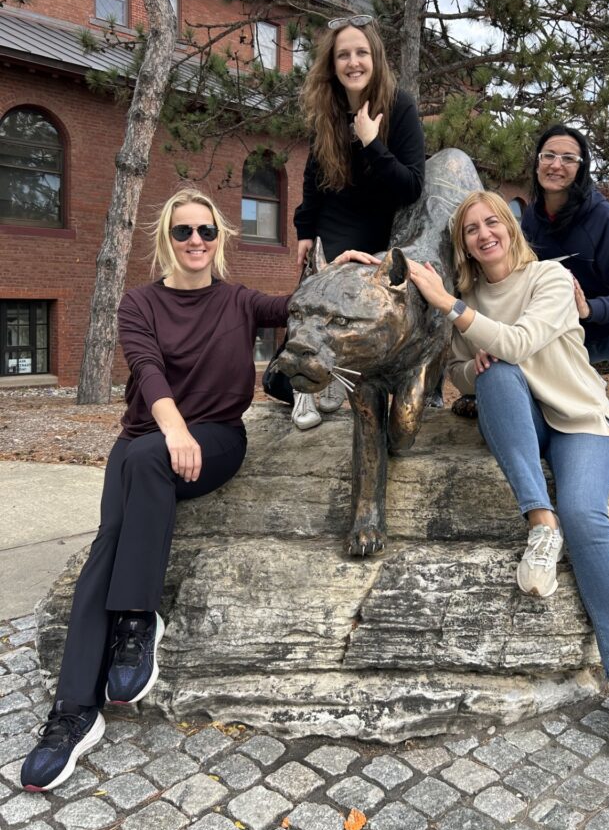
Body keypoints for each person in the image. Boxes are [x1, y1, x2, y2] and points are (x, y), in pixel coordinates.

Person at [19, 189, 379, 794]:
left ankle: (133, 625)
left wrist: (336, 274)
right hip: (151, 444)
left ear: (220, 239)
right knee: (108, 542)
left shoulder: (238, 301)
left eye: (206, 232)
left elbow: (299, 307)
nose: (195, 242)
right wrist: (171, 429)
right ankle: (75, 713)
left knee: (138, 471)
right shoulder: (139, 303)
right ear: (167, 239)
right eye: (183, 232)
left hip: (214, 443)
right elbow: (148, 367)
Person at [407, 190, 609, 765]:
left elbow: (519, 341)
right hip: (525, 419)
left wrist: (448, 304)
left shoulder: (548, 277)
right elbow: (457, 375)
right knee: (496, 379)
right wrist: (473, 364)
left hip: (576, 419)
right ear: (462, 243)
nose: (483, 234)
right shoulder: (469, 296)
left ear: (509, 228)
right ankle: (539, 523)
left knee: (587, 516)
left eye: (492, 221)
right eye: (470, 229)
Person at [292, 14, 426, 429]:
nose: (353, 62)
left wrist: (370, 141)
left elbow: (411, 187)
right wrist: (303, 230)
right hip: (335, 220)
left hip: (384, 224)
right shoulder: (327, 109)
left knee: (359, 309)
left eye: (361, 53)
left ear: (376, 58)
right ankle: (301, 388)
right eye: (343, 55)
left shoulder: (399, 107)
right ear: (332, 64)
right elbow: (313, 180)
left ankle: (338, 377)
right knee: (320, 289)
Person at [521, 123, 609, 459]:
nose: (556, 165)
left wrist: (590, 310)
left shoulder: (604, 217)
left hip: (604, 332)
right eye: (549, 156)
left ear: (582, 168)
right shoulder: (529, 220)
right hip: (556, 337)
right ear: (538, 162)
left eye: (568, 158)